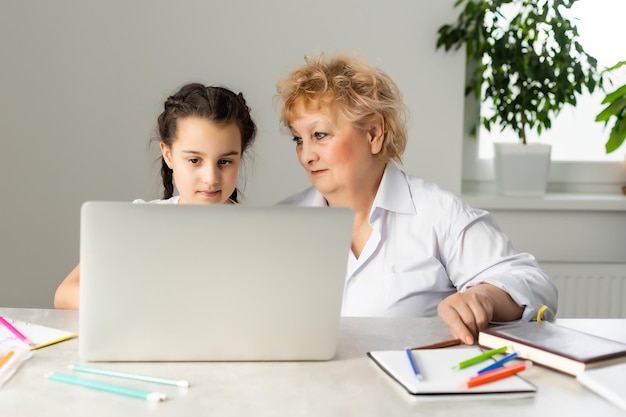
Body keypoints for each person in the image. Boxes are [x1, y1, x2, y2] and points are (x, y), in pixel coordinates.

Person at [275, 54, 558, 345]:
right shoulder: (281, 223)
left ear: (373, 133)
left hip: (409, 385)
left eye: (320, 135)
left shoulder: (437, 213)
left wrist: (483, 297)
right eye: (299, 139)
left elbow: (535, 285)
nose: (306, 155)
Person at [54, 83, 257, 309]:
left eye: (225, 162)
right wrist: (140, 302)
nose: (210, 178)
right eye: (194, 160)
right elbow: (65, 294)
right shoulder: (139, 221)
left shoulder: (260, 233)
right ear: (168, 155)